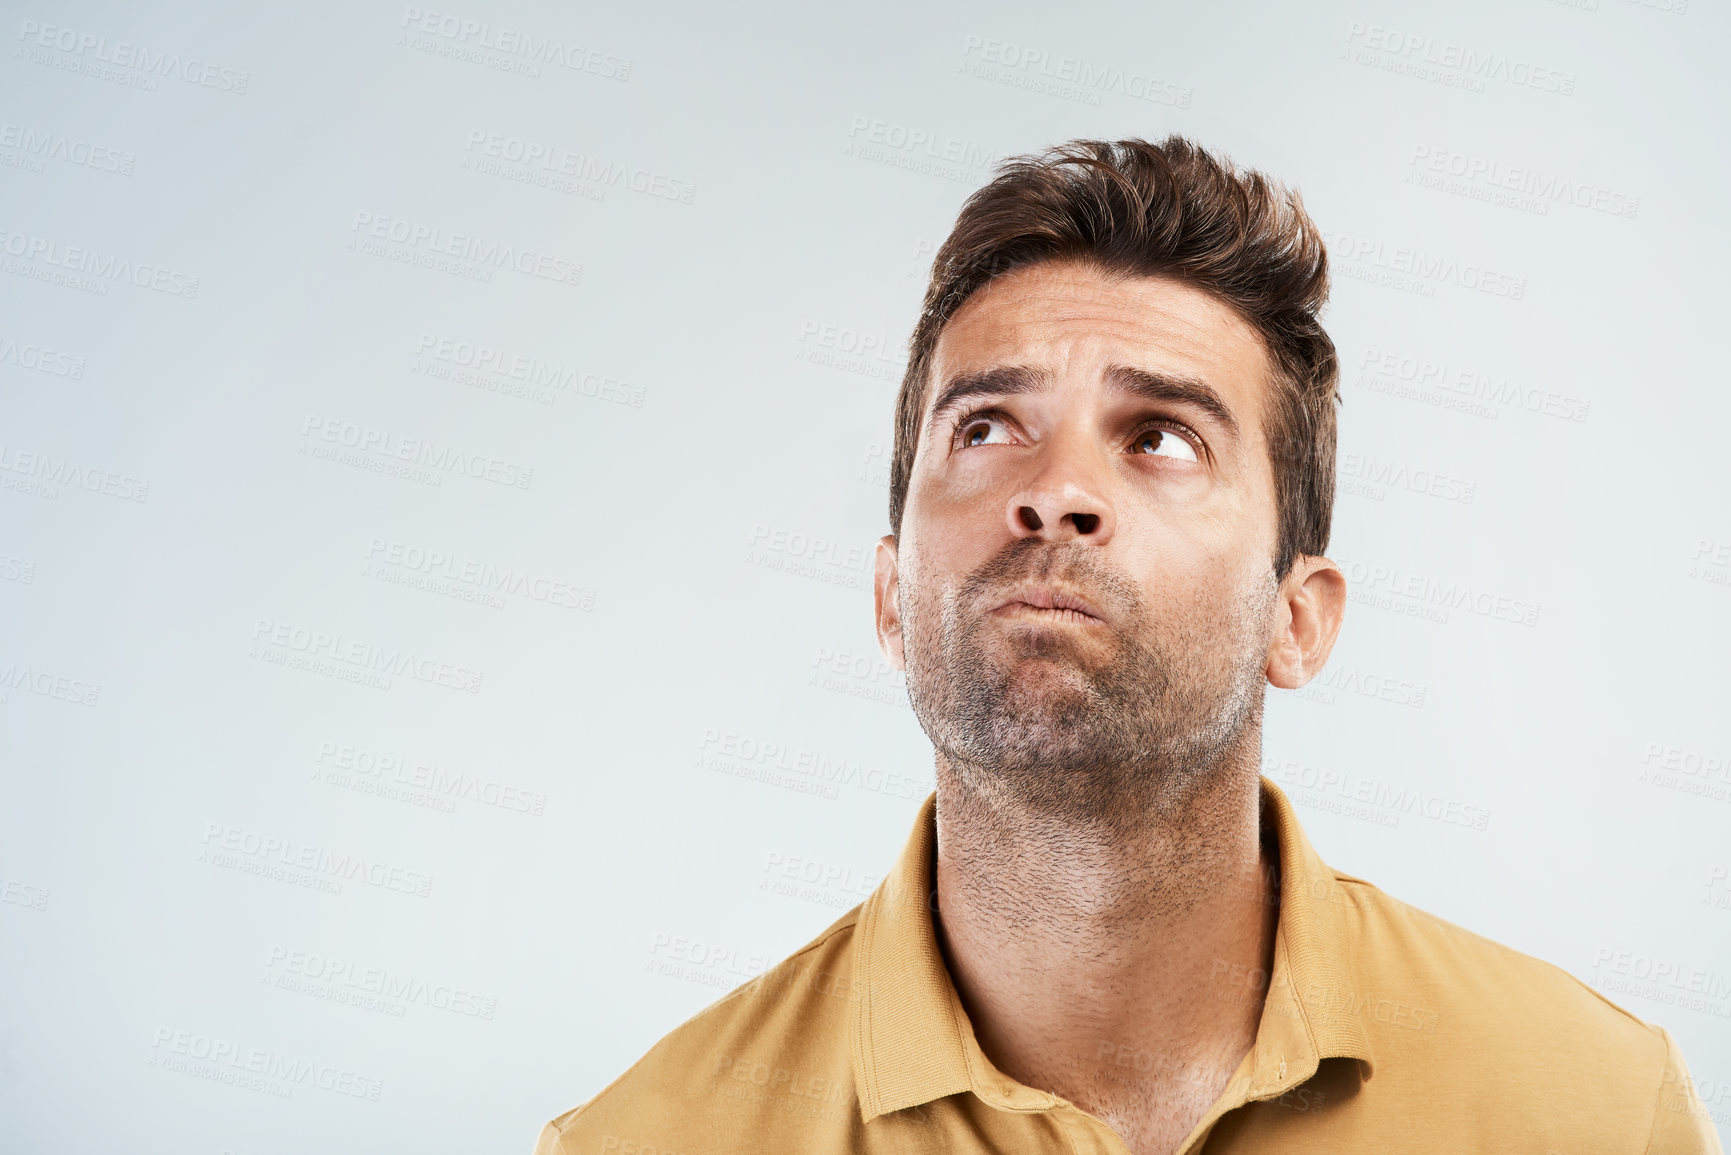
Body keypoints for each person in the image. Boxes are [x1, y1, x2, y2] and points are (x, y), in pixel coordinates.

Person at [532, 137, 1721, 1155]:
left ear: (1294, 619)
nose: (1056, 494)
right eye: (989, 426)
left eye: (1159, 438)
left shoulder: (1593, 1110)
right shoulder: (654, 1137)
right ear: (893, 598)